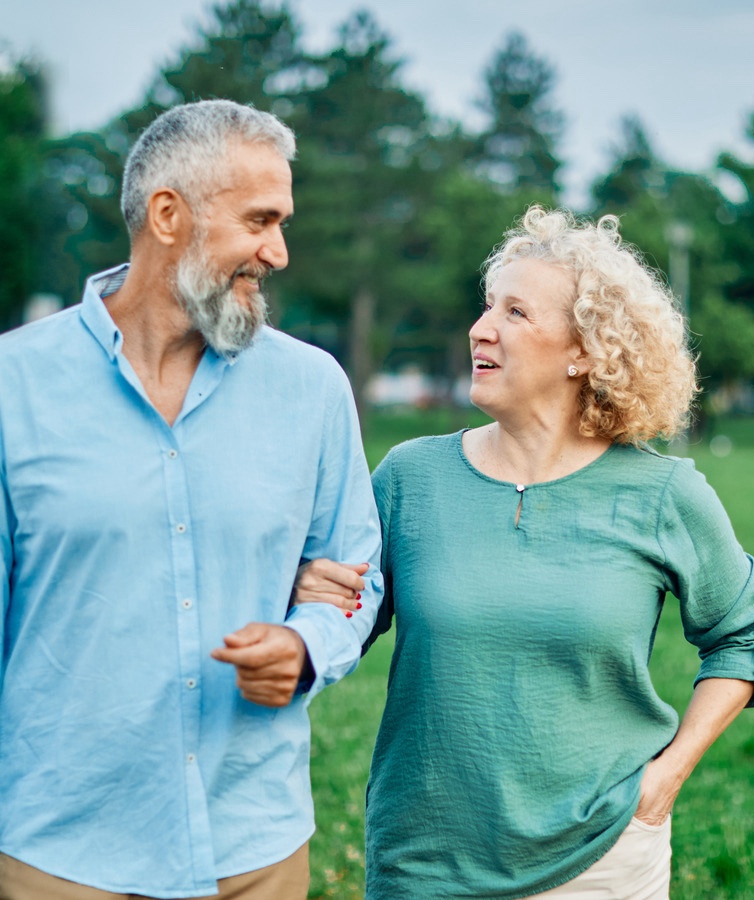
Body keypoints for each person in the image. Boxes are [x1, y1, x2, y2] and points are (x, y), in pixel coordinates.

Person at [294, 206, 754, 899]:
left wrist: (668, 775)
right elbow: (341, 621)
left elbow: (743, 635)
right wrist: (308, 592)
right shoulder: (410, 477)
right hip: (424, 862)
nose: (481, 329)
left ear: (584, 352)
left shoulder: (664, 495)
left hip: (602, 858)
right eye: (487, 307)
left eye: (515, 312)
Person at [0, 99, 383, 900]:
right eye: (259, 221)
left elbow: (356, 574)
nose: (278, 252)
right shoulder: (14, 386)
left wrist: (307, 643)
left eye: (282, 224)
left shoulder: (311, 388)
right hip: (56, 852)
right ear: (168, 215)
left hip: (253, 846)